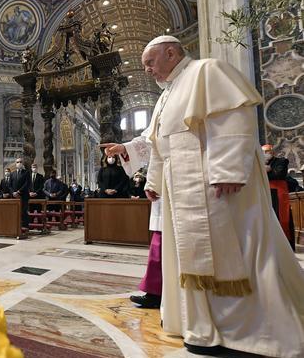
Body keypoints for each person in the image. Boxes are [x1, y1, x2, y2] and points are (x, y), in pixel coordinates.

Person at [141, 35, 304, 356]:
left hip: (216, 184)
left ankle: (244, 329)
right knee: (187, 254)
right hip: (181, 187)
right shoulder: (167, 95)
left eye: (150, 62)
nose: (147, 70)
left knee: (233, 251)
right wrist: (153, 179)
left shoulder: (206, 71)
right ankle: (195, 322)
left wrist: (228, 169)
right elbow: (162, 145)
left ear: (171, 53)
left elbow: (233, 119)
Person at [101, 131, 163, 309]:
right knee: (159, 242)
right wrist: (124, 148)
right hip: (163, 181)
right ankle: (155, 290)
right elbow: (150, 141)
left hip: (187, 177)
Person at [263, 144, 295, 249]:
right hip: (265, 192)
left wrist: (267, 171)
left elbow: (279, 174)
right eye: (263, 152)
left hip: (278, 192)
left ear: (272, 152)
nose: (265, 154)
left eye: (267, 152)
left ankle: (285, 245)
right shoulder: (260, 164)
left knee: (281, 217)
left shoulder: (281, 161)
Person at [9, 158, 30, 228]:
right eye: (18, 162)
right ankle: (15, 226)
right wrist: (13, 192)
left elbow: (27, 184)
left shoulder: (26, 172)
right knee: (15, 212)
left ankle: (25, 227)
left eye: (21, 162)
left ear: (22, 163)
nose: (19, 163)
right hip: (14, 196)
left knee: (23, 212)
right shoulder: (12, 174)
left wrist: (19, 191)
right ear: (15, 164)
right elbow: (10, 185)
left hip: (23, 196)